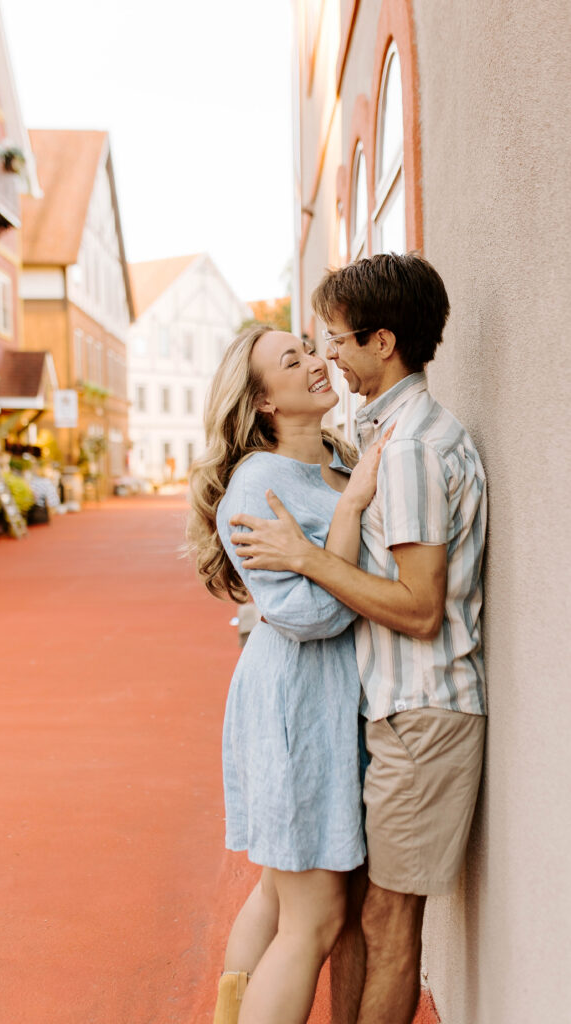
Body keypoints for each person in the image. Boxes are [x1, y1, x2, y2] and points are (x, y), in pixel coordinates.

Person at [229, 252, 488, 1024]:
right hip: (373, 712)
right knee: (329, 915)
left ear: (382, 342)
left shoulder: (399, 449)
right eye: (307, 350)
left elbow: (416, 607)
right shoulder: (370, 440)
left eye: (333, 340)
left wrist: (308, 554)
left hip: (418, 709)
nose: (325, 356)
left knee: (371, 920)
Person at [185, 324, 390, 1024]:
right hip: (295, 703)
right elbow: (312, 617)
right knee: (316, 918)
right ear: (262, 400)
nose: (313, 361)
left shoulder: (336, 456)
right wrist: (353, 508)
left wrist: (338, 510)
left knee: (279, 896)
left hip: (325, 700)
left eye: (309, 346)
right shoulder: (259, 483)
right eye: (289, 360)